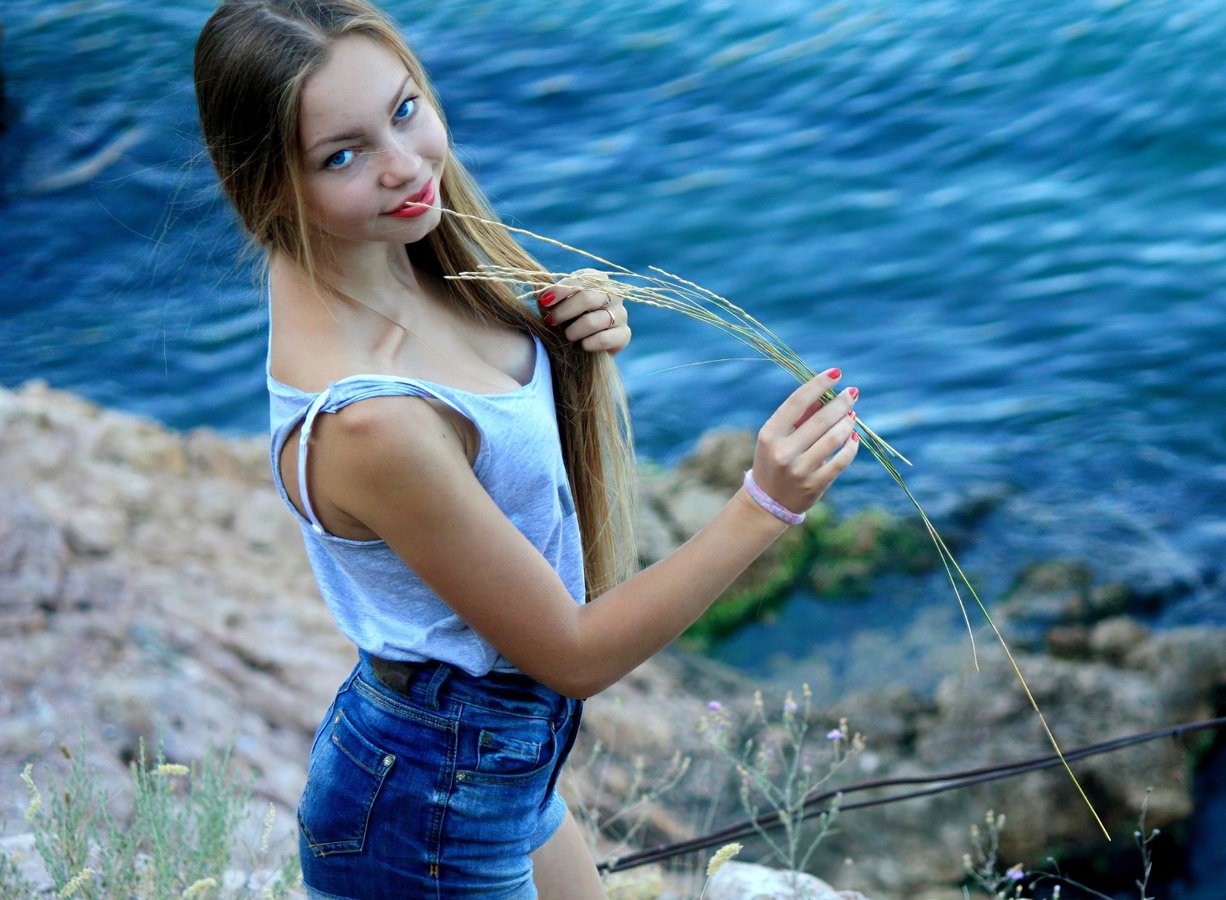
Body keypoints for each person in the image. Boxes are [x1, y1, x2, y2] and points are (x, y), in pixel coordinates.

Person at [192, 1, 862, 896]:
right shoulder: (371, 423)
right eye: (342, 155)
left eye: (403, 110)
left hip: (489, 761)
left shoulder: (401, 254)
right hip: (430, 804)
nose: (405, 166)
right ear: (272, 187)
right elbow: (573, 654)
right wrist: (766, 505)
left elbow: (499, 402)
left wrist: (572, 334)